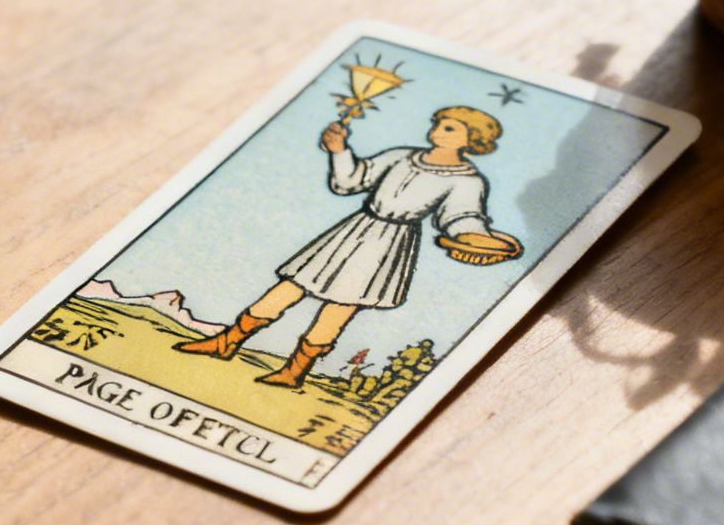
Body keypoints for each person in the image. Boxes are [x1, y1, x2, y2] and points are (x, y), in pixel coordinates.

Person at [176, 106, 503, 389]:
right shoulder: (402, 155)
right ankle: (227, 342)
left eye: (449, 128)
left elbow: (463, 217)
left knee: (340, 307)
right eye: (437, 123)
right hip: (354, 229)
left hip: (389, 245)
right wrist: (339, 149)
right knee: (290, 287)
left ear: (471, 139)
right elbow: (351, 181)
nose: (437, 131)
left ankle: (294, 371)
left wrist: (476, 238)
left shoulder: (467, 181)